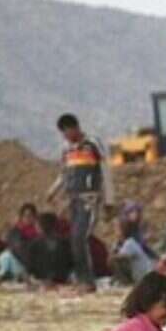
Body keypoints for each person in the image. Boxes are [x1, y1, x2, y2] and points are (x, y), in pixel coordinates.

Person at [46, 114, 115, 293]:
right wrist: (53, 191)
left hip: (89, 199)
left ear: (75, 128)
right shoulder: (67, 149)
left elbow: (105, 171)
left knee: (79, 237)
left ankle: (88, 281)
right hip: (73, 199)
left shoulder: (92, 144)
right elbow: (64, 173)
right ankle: (81, 278)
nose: (66, 136)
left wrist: (109, 200)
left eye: (67, 132)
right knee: (74, 239)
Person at [26, 212, 74, 285]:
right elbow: (71, 265)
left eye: (36, 225)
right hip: (62, 280)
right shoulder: (65, 242)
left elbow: (29, 268)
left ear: (39, 227)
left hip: (41, 281)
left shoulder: (34, 244)